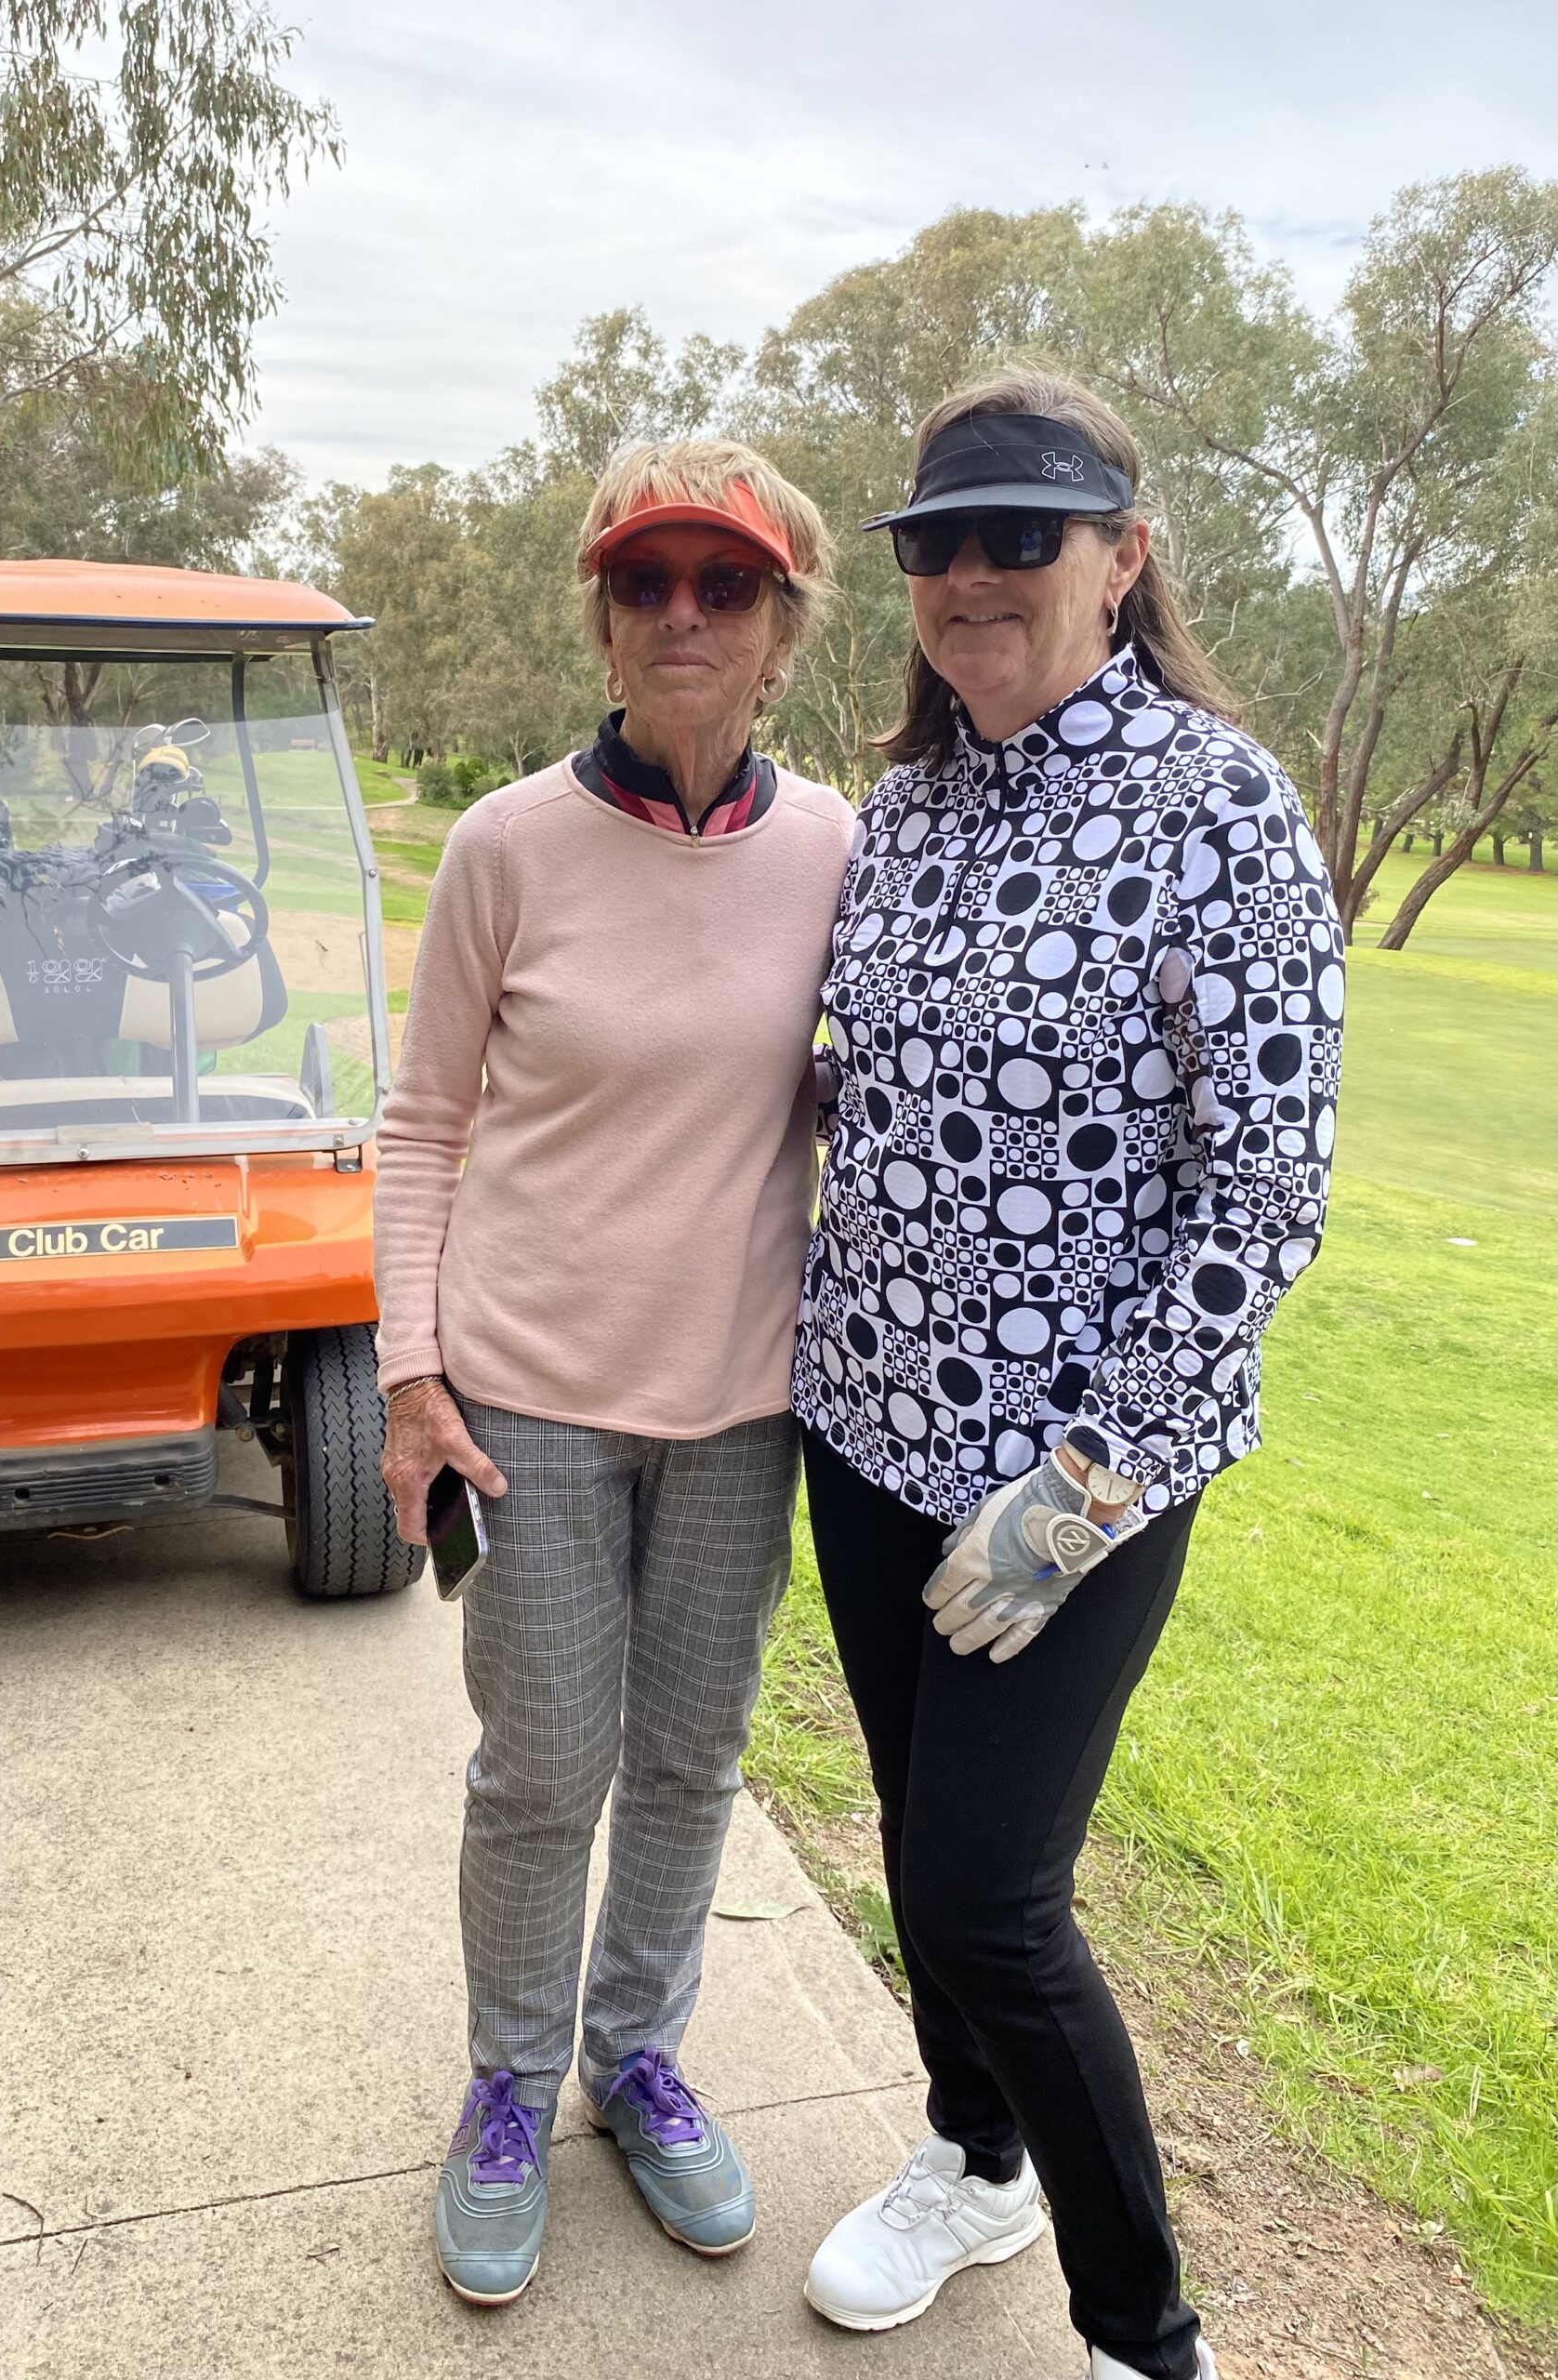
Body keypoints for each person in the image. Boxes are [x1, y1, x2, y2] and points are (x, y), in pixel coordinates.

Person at [794, 370, 1342, 2380]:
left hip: (1075, 1474)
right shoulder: (903, 815)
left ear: (1123, 558)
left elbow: (1265, 1188)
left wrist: (1098, 1468)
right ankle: (972, 2152)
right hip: (864, 1430)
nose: (971, 574)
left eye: (1022, 534)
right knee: (909, 1837)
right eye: (938, 541)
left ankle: (1144, 2330)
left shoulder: (1223, 807)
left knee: (988, 1893)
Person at [374, 440, 852, 2307]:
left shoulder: (834, 850)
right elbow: (421, 1125)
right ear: (602, 612)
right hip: (529, 1412)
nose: (681, 615)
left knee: (689, 1758)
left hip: (741, 1411)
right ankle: (508, 2076)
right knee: (544, 1761)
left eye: (723, 586)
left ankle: (635, 2055)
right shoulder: (506, 846)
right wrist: (414, 1374)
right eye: (646, 581)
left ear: (781, 631)